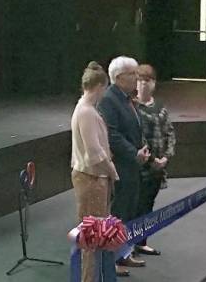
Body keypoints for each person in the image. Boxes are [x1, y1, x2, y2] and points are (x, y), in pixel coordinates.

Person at [97, 56, 151, 275]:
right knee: (119, 212)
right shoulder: (109, 99)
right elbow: (113, 135)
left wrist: (143, 149)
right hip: (121, 167)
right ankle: (113, 260)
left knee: (130, 211)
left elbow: (134, 128)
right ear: (119, 78)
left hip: (133, 166)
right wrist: (133, 153)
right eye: (133, 75)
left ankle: (124, 253)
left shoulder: (128, 98)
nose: (137, 79)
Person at [70, 61, 119, 281]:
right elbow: (94, 153)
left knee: (95, 237)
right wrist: (112, 170)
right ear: (100, 86)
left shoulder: (84, 108)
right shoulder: (87, 112)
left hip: (91, 177)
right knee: (92, 239)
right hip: (92, 179)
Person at [134, 64, 176, 257]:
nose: (143, 84)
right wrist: (152, 160)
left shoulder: (160, 107)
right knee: (135, 207)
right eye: (140, 80)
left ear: (153, 83)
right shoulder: (133, 108)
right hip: (140, 168)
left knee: (148, 206)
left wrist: (166, 157)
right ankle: (128, 246)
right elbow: (137, 138)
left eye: (147, 80)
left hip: (158, 170)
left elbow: (170, 133)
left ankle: (142, 242)